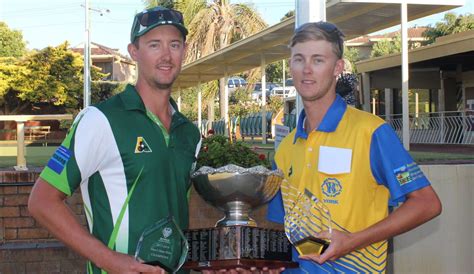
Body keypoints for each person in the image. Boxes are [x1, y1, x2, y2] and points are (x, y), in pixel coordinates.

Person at [28, 6, 201, 274]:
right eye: (154, 45)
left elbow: (175, 215)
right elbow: (42, 201)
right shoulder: (100, 120)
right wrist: (110, 260)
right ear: (134, 52)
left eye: (174, 45)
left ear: (184, 51)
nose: (167, 55)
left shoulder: (190, 133)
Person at [266, 21, 442, 273]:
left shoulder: (371, 132)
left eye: (318, 60)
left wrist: (352, 241)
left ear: (337, 67)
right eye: (298, 59)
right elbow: (280, 226)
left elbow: (427, 203)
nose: (306, 70)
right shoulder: (285, 148)